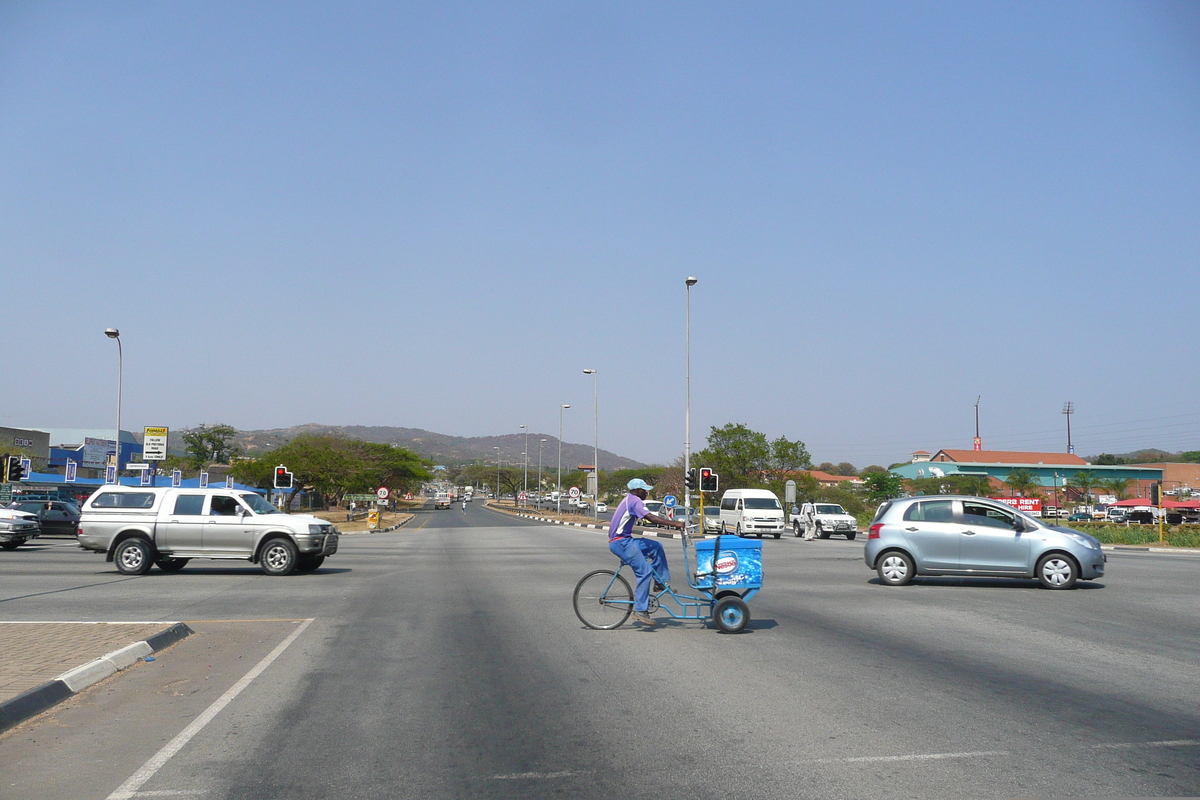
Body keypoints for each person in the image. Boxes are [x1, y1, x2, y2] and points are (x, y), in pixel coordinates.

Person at [608, 478, 684, 627]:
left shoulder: (629, 499)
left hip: (626, 540)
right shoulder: (634, 501)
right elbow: (650, 517)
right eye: (644, 490)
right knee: (644, 571)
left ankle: (660, 583)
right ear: (636, 490)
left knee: (656, 546)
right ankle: (641, 610)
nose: (647, 492)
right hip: (620, 542)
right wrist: (674, 523)